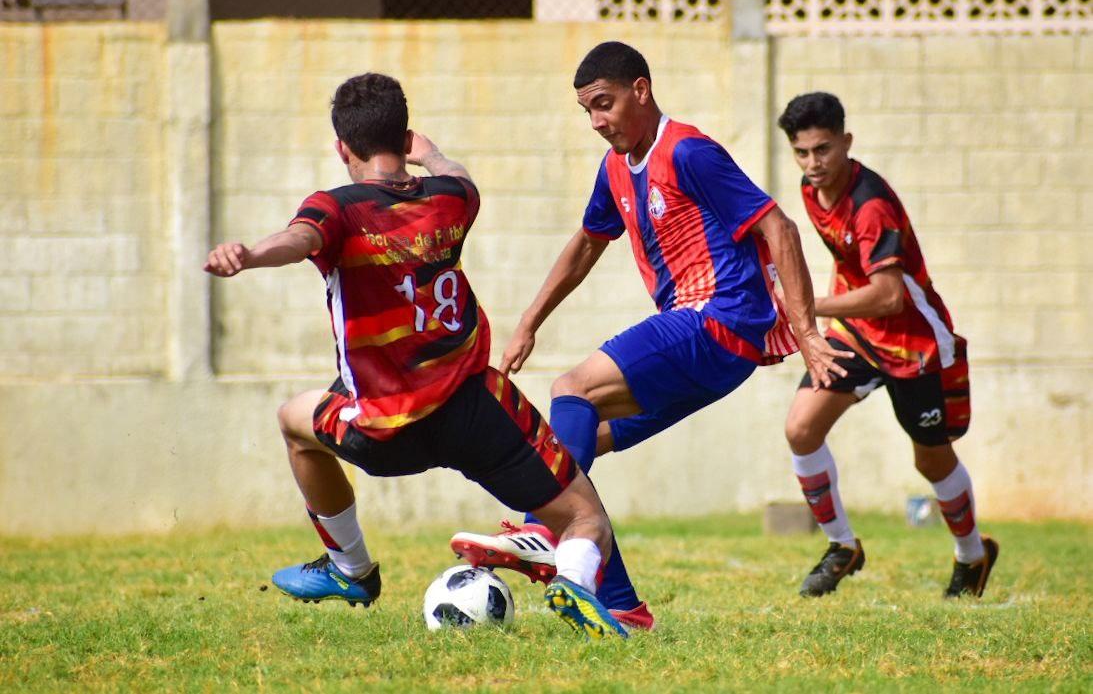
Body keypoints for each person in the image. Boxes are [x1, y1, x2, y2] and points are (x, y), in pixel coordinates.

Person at [203, 72, 628, 639]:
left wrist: (251, 254)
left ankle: (351, 569)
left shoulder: (337, 209)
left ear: (342, 149)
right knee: (585, 520)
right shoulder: (452, 199)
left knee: (292, 421)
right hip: (476, 412)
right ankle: (573, 582)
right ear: (405, 141)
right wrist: (434, 155)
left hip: (384, 428)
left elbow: (299, 240)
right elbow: (460, 176)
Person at [450, 42, 850, 628]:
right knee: (575, 449)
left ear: (641, 89)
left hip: (718, 317)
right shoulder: (615, 168)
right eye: (587, 111)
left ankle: (541, 531)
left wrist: (806, 330)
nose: (597, 122)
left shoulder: (687, 151)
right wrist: (528, 324)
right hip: (713, 352)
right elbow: (586, 244)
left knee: (572, 388)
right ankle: (622, 605)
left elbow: (777, 225)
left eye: (605, 104)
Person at [775, 91, 998, 598]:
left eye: (823, 150)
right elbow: (848, 263)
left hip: (912, 343)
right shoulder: (813, 190)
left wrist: (806, 308)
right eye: (802, 152)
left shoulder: (870, 203)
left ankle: (973, 556)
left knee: (931, 461)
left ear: (846, 143)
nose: (813, 163)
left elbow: (890, 295)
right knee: (801, 428)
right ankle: (842, 547)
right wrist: (824, 324)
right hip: (857, 333)